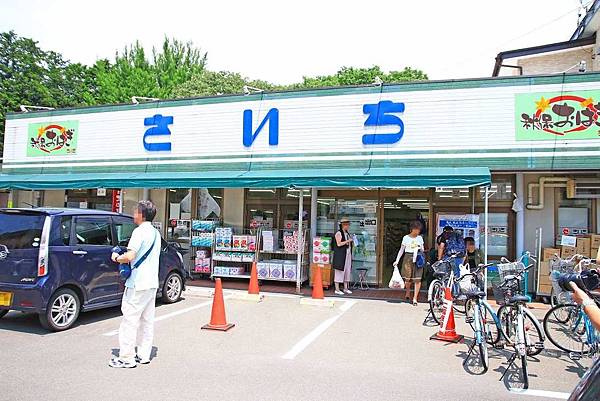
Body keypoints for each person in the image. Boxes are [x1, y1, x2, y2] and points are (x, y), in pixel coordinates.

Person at [109, 200, 161, 368]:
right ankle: (144, 355)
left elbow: (130, 256)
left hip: (137, 283)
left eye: (135, 211)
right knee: (147, 321)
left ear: (142, 214)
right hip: (151, 283)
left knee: (130, 321)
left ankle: (126, 358)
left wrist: (116, 258)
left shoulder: (139, 232)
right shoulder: (155, 233)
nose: (133, 214)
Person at [393, 221, 425, 306]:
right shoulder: (406, 238)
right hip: (408, 258)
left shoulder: (420, 238)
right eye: (417, 229)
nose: (418, 231)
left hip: (418, 258)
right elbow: (401, 250)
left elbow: (422, 249)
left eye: (419, 230)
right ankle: (407, 292)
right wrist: (397, 260)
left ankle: (415, 298)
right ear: (412, 229)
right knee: (407, 278)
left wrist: (419, 248)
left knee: (417, 279)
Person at [332, 218, 353, 296]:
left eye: (348, 225)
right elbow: (339, 244)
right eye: (347, 225)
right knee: (339, 271)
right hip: (340, 255)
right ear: (343, 225)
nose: (348, 226)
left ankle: (345, 288)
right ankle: (337, 289)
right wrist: (348, 241)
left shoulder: (347, 233)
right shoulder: (338, 233)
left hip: (347, 253)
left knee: (347, 270)